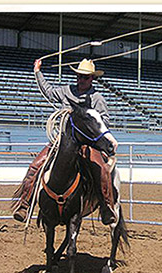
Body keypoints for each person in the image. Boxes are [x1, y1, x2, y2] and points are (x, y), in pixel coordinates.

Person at [12, 58, 118, 225]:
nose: (81, 80)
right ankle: (25, 204)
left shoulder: (97, 99)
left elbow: (104, 120)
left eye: (85, 77)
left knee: (102, 171)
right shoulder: (66, 91)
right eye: (79, 76)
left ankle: (106, 208)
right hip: (61, 141)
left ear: (92, 79)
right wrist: (37, 71)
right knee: (35, 166)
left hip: (86, 144)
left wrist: (90, 127)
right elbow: (47, 91)